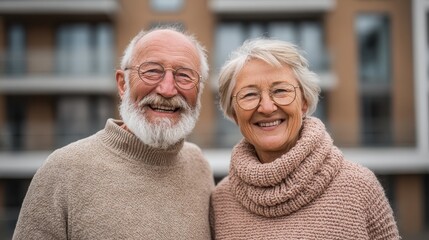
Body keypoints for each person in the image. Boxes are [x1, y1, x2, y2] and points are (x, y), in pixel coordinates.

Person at [13, 26, 214, 239]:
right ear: (122, 84)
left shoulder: (198, 166)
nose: (167, 89)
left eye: (184, 76)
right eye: (152, 71)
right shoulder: (63, 170)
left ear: (199, 91)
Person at [210, 38, 400, 239]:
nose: (266, 107)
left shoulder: (360, 187)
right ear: (233, 113)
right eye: (249, 95)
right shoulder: (221, 201)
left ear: (304, 103)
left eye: (281, 91)